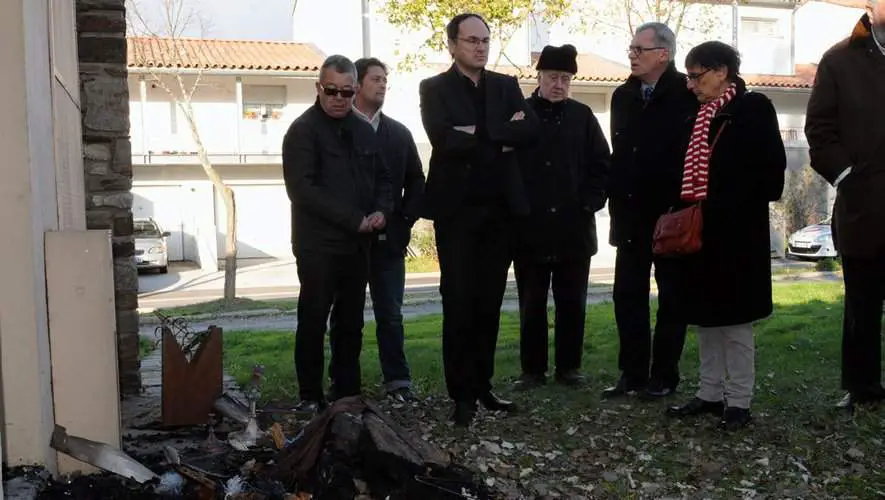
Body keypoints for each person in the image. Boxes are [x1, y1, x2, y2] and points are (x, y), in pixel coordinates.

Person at [418, 12, 539, 427]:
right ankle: (461, 395)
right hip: (457, 213)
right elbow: (444, 138)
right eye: (471, 40)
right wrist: (500, 134)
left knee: (489, 303)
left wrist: (480, 131)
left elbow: (530, 130)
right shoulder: (433, 88)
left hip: (501, 212)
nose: (480, 46)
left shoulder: (506, 85)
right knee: (459, 302)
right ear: (452, 45)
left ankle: (483, 385)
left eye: (485, 39)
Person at [666, 41, 786, 430]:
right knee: (705, 318)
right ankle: (709, 391)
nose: (691, 85)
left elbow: (771, 173)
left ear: (722, 72)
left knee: (735, 321)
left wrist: (726, 199)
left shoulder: (753, 109)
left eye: (697, 75)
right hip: (701, 236)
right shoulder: (696, 115)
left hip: (738, 236)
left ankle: (739, 400)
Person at [281, 55, 392, 414]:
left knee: (351, 322)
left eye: (347, 91)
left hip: (357, 246)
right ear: (319, 88)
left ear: (355, 90)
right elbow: (303, 190)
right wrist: (352, 219)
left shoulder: (363, 131)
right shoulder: (302, 131)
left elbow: (384, 179)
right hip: (317, 246)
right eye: (332, 91)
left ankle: (346, 391)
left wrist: (381, 212)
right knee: (313, 320)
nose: (339, 98)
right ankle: (309, 395)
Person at [604, 22, 698, 400]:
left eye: (639, 49)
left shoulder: (686, 94)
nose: (632, 54)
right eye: (630, 48)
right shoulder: (622, 96)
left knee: (672, 297)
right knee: (627, 295)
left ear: (664, 54)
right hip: (629, 214)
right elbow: (621, 153)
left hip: (671, 214)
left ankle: (664, 375)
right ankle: (632, 372)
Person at [512, 44, 610, 390]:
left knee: (572, 303)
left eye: (566, 78)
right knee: (532, 304)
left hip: (573, 227)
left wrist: (590, 202)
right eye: (553, 77)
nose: (559, 84)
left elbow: (602, 164)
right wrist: (517, 207)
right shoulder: (520, 114)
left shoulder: (583, 117)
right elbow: (507, 164)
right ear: (539, 77)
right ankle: (532, 370)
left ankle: (569, 367)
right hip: (530, 228)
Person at [805, 0, 885, 411]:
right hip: (864, 207)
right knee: (862, 305)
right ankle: (862, 386)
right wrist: (847, 177)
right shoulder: (838, 60)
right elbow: (819, 130)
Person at [351, 57, 426, 401]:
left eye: (385, 80)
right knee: (346, 318)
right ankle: (344, 385)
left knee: (391, 316)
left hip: (389, 243)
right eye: (376, 79)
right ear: (357, 83)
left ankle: (398, 381)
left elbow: (416, 181)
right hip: (346, 243)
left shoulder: (398, 133)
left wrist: (404, 220)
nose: (382, 85)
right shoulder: (338, 127)